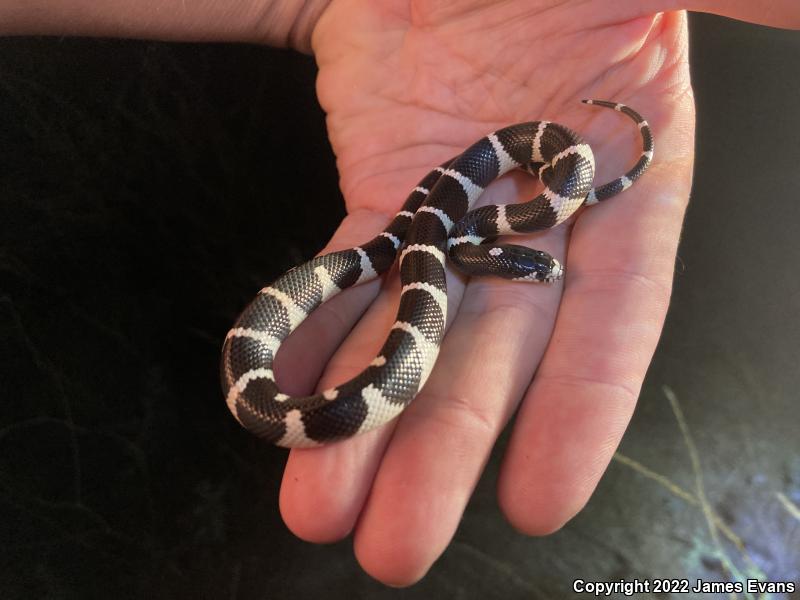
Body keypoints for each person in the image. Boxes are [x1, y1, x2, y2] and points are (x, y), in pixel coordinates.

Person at [3, 0, 798, 587]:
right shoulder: (461, 240)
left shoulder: (475, 228)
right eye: (536, 262)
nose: (544, 265)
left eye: (535, 263)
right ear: (498, 256)